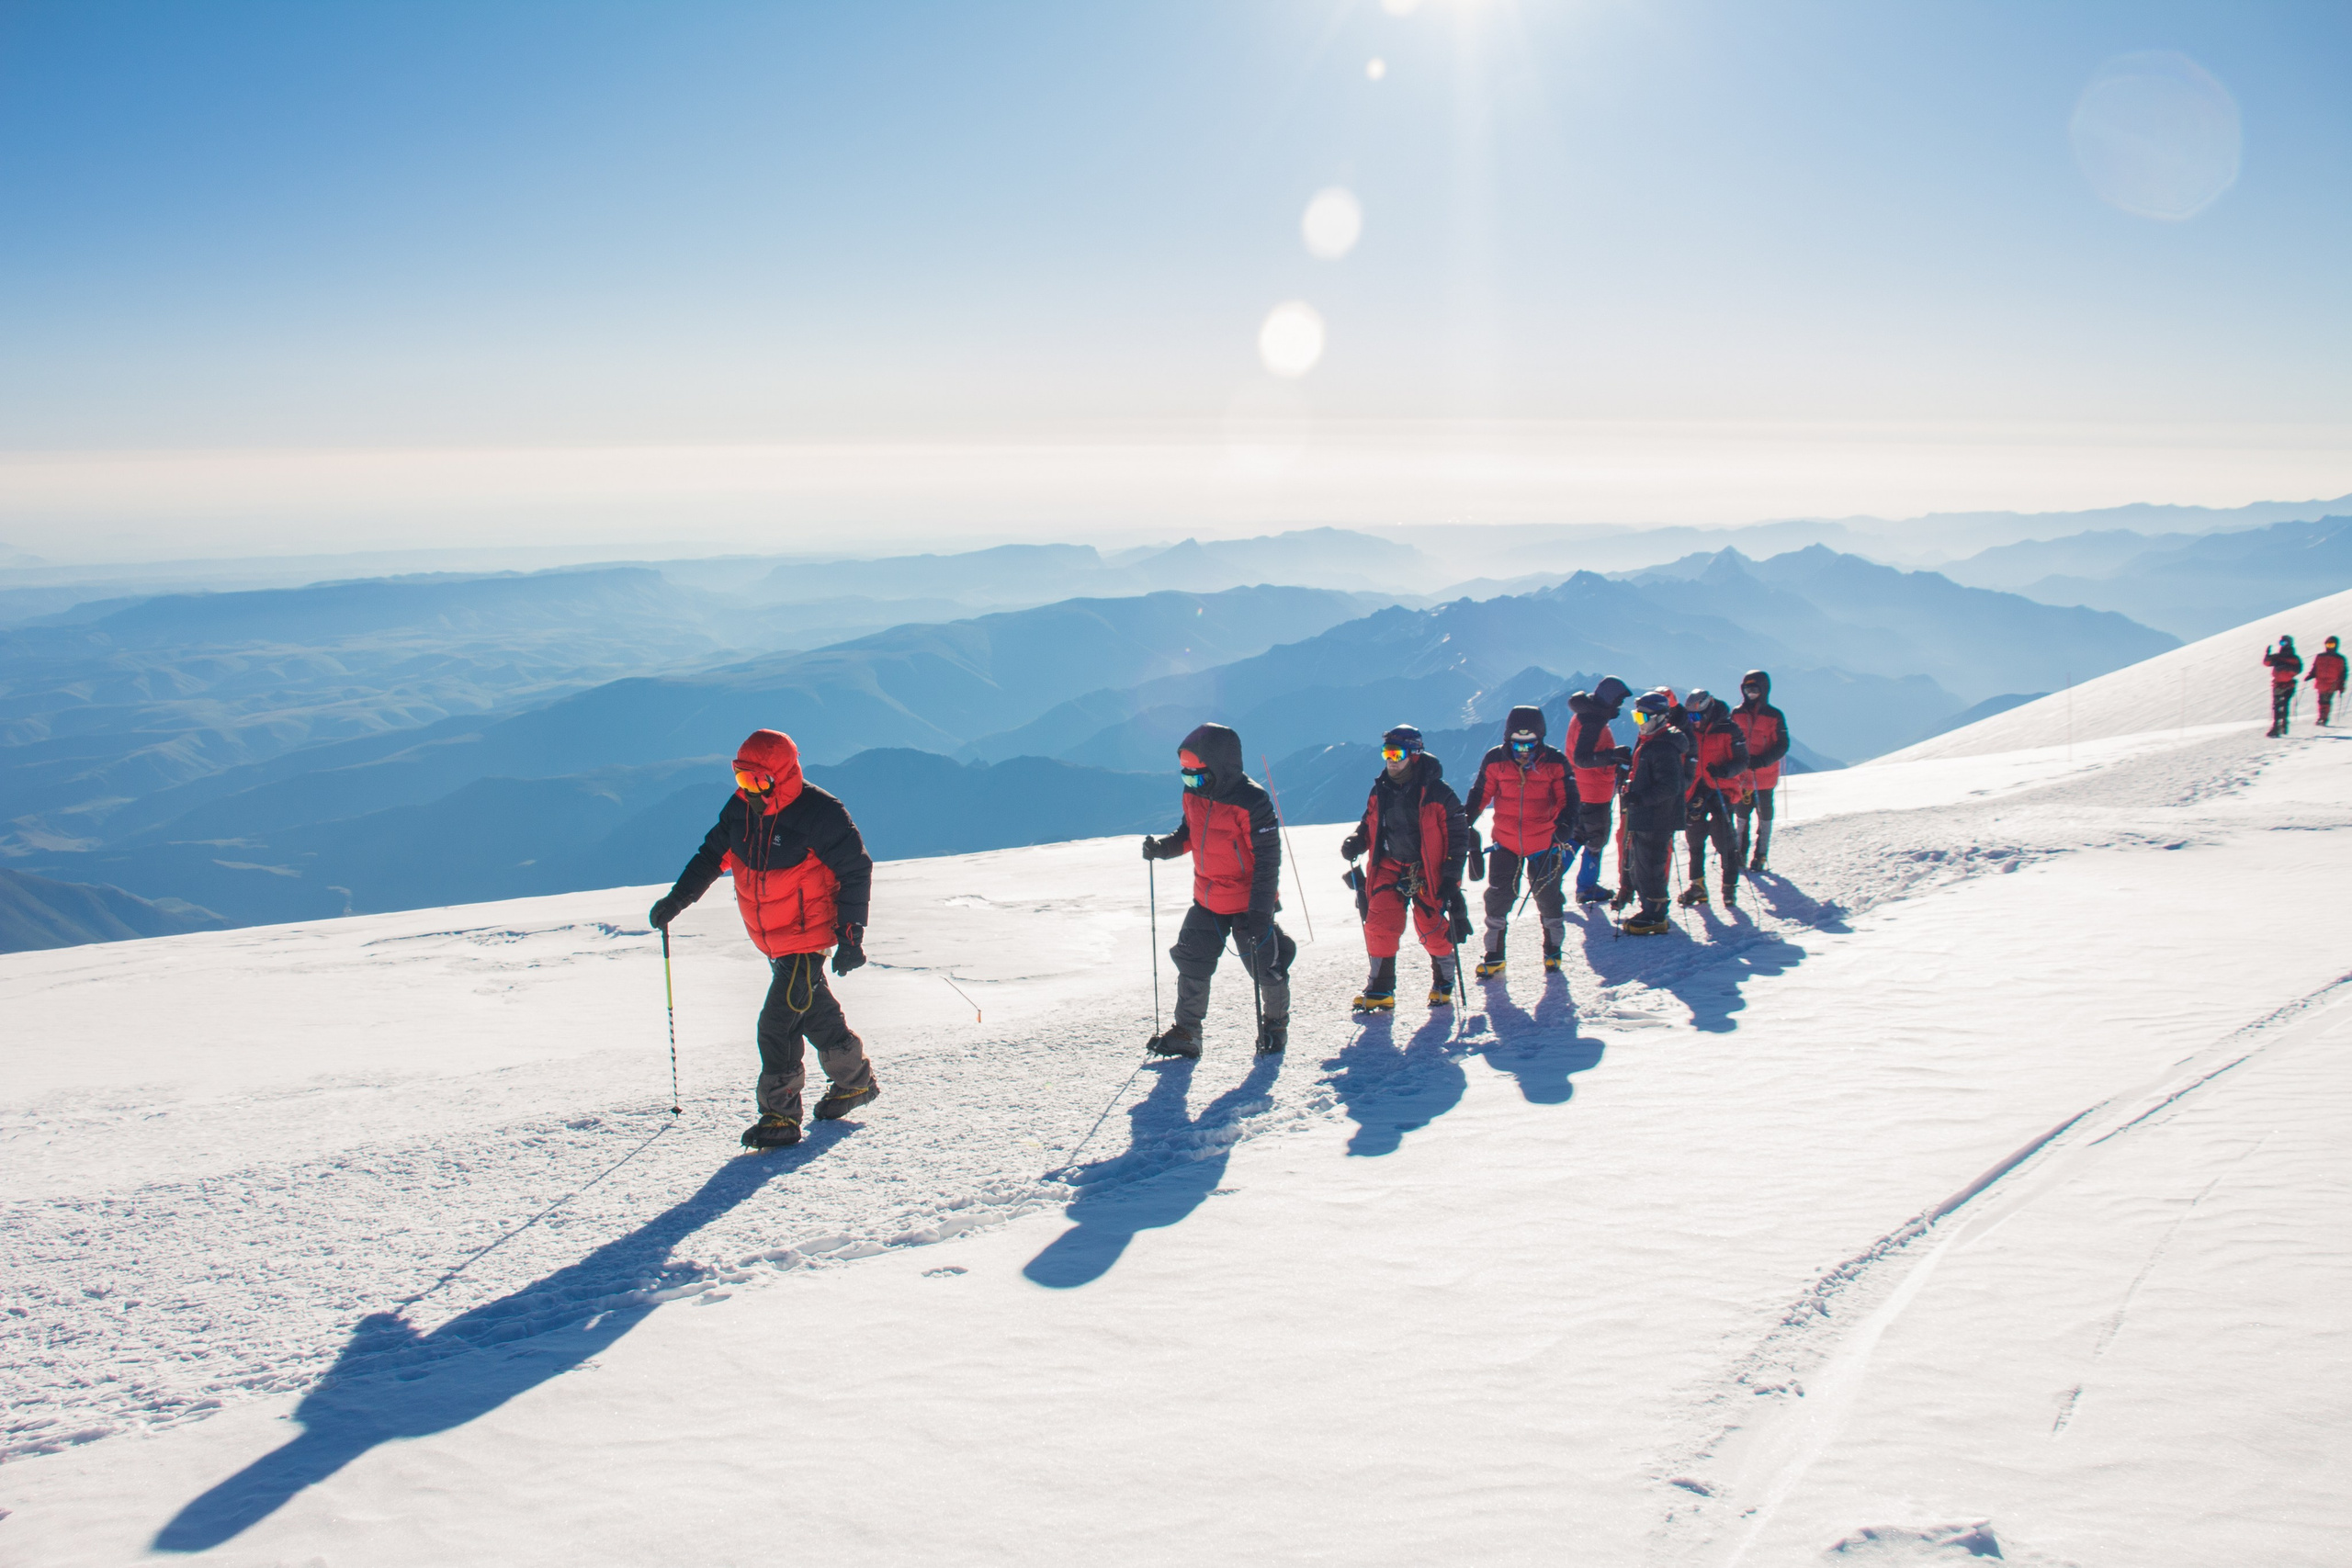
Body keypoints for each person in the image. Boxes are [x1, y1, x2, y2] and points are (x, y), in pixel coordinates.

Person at [650, 728, 879, 1149]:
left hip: (806, 937)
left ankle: (780, 1116)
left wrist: (850, 936)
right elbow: (711, 856)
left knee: (777, 1024)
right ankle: (855, 1082)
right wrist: (677, 900)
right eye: (743, 778)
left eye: (759, 780)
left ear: (783, 774)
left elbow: (855, 869)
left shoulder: (818, 812)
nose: (750, 789)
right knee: (812, 1011)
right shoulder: (740, 810)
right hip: (772, 937)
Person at [1139, 723, 1295, 1056]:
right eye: (1186, 778)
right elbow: (1188, 834)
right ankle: (1187, 1033)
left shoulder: (1252, 802)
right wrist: (1163, 848)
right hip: (1207, 896)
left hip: (1249, 903)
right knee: (1192, 960)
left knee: (1265, 967)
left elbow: (1268, 862)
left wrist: (1261, 912)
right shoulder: (1194, 794)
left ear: (1221, 768)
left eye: (1198, 777)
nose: (1192, 785)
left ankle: (1275, 1027)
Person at [1340, 725, 1472, 1010]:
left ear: (1414, 755)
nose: (1391, 760)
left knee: (1432, 927)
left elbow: (1458, 837)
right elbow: (1369, 823)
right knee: (1379, 925)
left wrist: (1451, 876)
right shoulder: (1381, 790)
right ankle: (1380, 989)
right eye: (1386, 753)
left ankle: (1443, 981)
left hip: (1428, 871)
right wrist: (1357, 840)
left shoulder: (1439, 793)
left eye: (1397, 754)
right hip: (1389, 866)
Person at [1464, 704, 1577, 976]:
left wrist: (1565, 825)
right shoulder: (1495, 761)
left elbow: (1570, 799)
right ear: (1507, 740)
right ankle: (1494, 955)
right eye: (1517, 744)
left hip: (1545, 842)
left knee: (1548, 898)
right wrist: (1465, 822)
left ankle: (1553, 950)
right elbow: (1480, 794)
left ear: (1541, 739)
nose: (1523, 750)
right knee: (1498, 898)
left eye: (1530, 744)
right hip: (1505, 842)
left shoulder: (1555, 762)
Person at [1620, 690, 1694, 936]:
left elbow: (1670, 786)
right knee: (1642, 864)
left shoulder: (1663, 747)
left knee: (1651, 865)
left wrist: (1639, 798)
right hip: (1647, 815)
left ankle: (1656, 914)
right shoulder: (1651, 742)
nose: (1638, 723)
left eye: (1642, 717)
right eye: (1636, 716)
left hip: (1657, 818)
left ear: (1660, 718)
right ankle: (1650, 909)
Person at [1677, 690, 1750, 908]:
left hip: (1722, 790)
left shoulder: (1729, 729)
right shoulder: (1689, 730)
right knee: (1695, 839)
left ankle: (1729, 887)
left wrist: (1724, 771)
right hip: (1696, 790)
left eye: (1697, 716)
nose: (1693, 721)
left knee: (1724, 841)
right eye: (1690, 716)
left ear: (1708, 711)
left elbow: (1742, 760)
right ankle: (1697, 886)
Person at [1565, 677, 1634, 906]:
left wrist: (1612, 759)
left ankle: (1549, 880)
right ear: (1609, 700)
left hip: (1580, 789)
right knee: (1595, 839)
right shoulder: (1593, 722)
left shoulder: (1584, 715)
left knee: (1576, 836)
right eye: (1618, 702)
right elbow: (1583, 759)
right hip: (1595, 792)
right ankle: (1586, 888)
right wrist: (1613, 756)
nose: (1619, 707)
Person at [1728, 669, 1791, 872]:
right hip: (1742, 776)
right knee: (1741, 816)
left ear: (1764, 690)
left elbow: (1782, 745)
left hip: (1764, 777)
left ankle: (1761, 855)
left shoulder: (1774, 716)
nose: (1751, 694)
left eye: (1755, 689)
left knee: (1764, 817)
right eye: (1747, 690)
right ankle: (1740, 853)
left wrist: (1763, 760)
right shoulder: (1737, 713)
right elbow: (1729, 739)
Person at [2265, 636, 2303, 737]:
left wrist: (2286, 667)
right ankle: (2277, 726)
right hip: (2277, 685)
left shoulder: (2294, 658)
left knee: (2284, 705)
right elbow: (2267, 663)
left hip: (2289, 685)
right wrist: (2267, 655)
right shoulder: (2277, 656)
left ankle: (2282, 725)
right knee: (2277, 706)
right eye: (2281, 643)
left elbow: (2298, 670)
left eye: (2285, 643)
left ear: (2289, 643)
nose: (2283, 645)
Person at [2306, 636, 2346, 727]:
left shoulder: (2340, 659)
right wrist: (2310, 675)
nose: (2330, 647)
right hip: (2321, 682)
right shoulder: (2320, 656)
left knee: (2326, 700)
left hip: (2332, 683)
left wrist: (2341, 685)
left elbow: (2343, 673)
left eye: (2332, 645)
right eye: (2328, 644)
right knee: (2321, 700)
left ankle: (2323, 718)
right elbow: (2315, 668)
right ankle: (2321, 716)